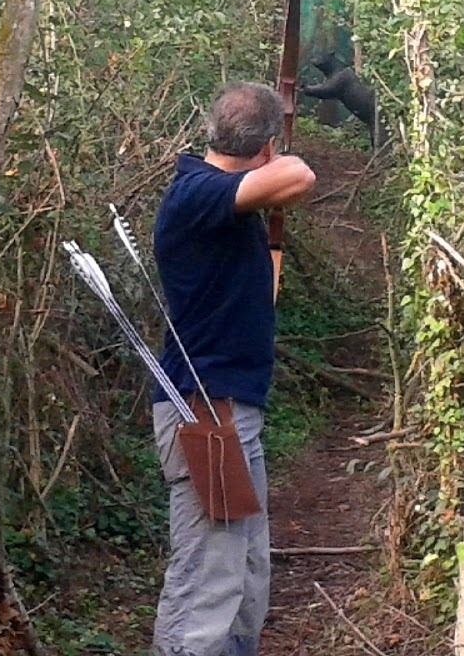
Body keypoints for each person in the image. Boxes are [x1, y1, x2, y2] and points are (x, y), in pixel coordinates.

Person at [149, 82, 317, 656]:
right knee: (207, 578)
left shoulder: (221, 201)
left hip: (227, 409)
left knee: (244, 569)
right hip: (205, 410)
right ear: (267, 146)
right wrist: (278, 161)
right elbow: (299, 177)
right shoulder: (196, 193)